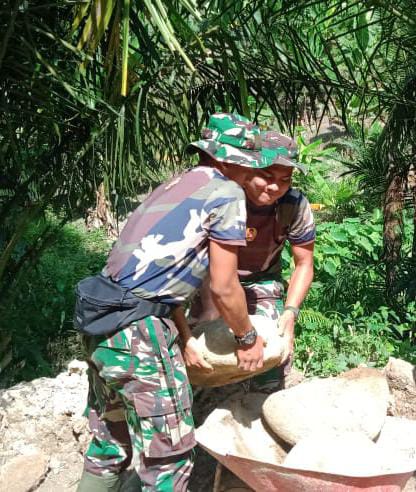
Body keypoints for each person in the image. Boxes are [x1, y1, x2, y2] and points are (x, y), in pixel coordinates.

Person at [74, 113, 285, 491]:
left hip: (102, 322)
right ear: (234, 158)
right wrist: (247, 338)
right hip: (140, 333)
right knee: (170, 457)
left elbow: (158, 275)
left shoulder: (175, 185)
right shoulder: (226, 193)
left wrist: (186, 336)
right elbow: (224, 286)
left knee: (110, 440)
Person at [186, 130, 315, 393]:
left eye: (285, 180)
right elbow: (203, 264)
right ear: (247, 169)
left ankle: (263, 402)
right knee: (202, 357)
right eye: (267, 176)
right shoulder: (223, 198)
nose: (275, 187)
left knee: (273, 354)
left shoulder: (294, 205)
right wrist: (212, 311)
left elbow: (304, 263)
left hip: (262, 282)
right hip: (211, 281)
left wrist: (290, 313)